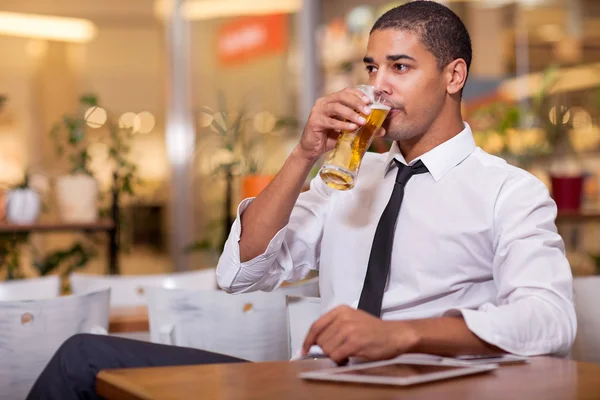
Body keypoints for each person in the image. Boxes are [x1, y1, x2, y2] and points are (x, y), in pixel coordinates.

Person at [28, 2, 575, 399]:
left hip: (419, 385)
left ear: (453, 75)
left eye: (399, 67)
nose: (378, 86)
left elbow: (548, 319)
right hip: (318, 382)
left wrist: (401, 334)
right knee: (86, 357)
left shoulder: (509, 190)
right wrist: (302, 155)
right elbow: (240, 273)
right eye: (371, 68)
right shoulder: (349, 178)